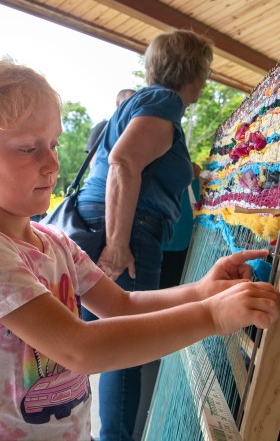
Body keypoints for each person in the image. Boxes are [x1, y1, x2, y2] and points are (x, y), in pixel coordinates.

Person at [0, 58, 280, 441]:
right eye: (28, 148)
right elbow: (77, 348)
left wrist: (201, 291)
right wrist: (210, 316)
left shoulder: (54, 242)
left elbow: (123, 305)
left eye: (52, 143)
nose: (52, 163)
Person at [75, 29, 213, 440]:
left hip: (119, 223)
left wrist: (185, 170)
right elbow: (123, 162)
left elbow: (141, 160)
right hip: (130, 231)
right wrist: (118, 247)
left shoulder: (147, 103)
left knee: (115, 343)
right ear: (195, 70)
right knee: (126, 349)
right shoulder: (164, 101)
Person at [85, 89, 136, 153]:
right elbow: (92, 158)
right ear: (118, 103)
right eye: (129, 102)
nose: (133, 106)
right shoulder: (103, 127)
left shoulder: (135, 129)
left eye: (136, 102)